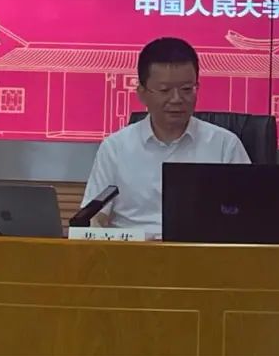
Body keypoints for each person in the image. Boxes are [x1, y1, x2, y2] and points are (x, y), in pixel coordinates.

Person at [80, 37, 249, 237]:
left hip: (200, 250)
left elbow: (248, 213)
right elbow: (94, 216)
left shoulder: (225, 145)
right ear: (142, 93)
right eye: (164, 90)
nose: (176, 99)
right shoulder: (115, 147)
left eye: (186, 89)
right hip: (132, 251)